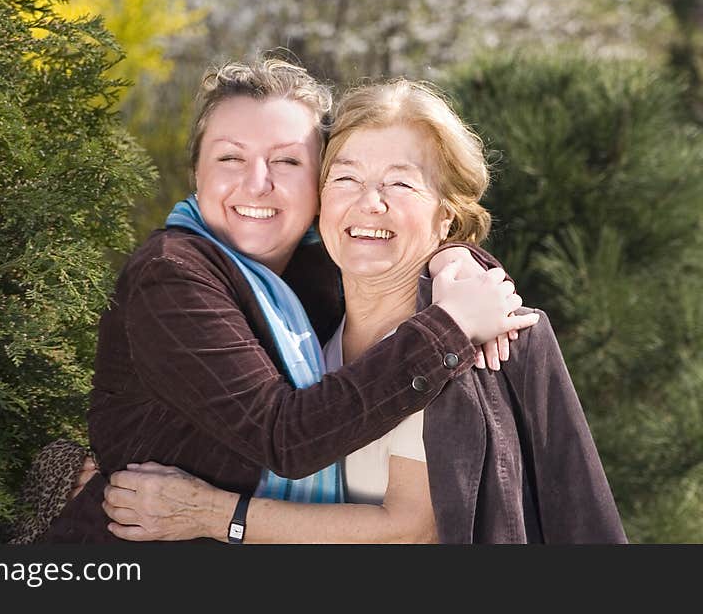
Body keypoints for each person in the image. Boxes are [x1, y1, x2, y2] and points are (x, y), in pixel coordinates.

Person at [101, 79, 627, 544]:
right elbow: (258, 422)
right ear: (323, 201)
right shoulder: (306, 311)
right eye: (347, 178)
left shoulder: (456, 342)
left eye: (400, 183)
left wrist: (216, 516)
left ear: (446, 217)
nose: (368, 202)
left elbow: (412, 531)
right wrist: (117, 461)